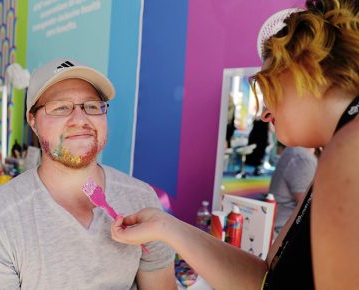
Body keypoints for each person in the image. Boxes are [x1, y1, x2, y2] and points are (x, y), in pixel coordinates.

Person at [111, 1, 359, 289]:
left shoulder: (349, 149)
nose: (264, 112)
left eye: (267, 84)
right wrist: (164, 226)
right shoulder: (338, 151)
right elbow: (264, 280)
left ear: (307, 64)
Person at [0, 58, 176, 289]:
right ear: (33, 121)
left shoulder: (142, 200)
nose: (80, 120)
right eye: (61, 107)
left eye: (92, 106)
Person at [269, 145, 317, 236]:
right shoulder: (302, 159)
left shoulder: (295, 151)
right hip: (285, 232)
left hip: (281, 227)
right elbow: (309, 208)